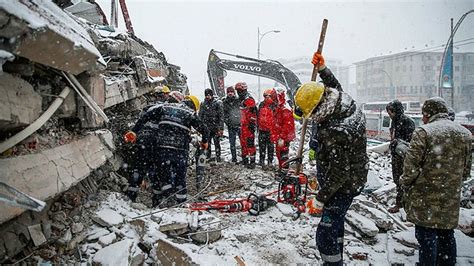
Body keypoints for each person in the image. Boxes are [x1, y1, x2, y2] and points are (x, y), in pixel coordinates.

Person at [295, 53, 368, 265]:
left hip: (344, 185)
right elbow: (334, 87)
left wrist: (320, 198)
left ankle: (332, 263)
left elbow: (340, 172)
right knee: (336, 224)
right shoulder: (342, 103)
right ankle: (337, 258)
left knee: (326, 233)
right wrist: (324, 70)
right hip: (355, 174)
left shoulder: (336, 130)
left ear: (318, 107)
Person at [401, 97, 472, 266]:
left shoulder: (424, 132)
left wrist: (405, 183)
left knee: (427, 237)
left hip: (425, 197)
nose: (423, 118)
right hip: (450, 196)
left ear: (428, 113)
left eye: (423, 114)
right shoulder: (465, 134)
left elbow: (410, 168)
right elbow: (466, 171)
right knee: (447, 235)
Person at [124, 96, 209, 207]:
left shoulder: (165, 107)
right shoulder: (190, 113)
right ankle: (180, 203)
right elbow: (204, 129)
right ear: (193, 106)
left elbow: (146, 115)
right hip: (180, 150)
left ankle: (166, 199)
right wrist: (204, 142)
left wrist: (134, 131)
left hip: (163, 148)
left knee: (164, 175)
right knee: (180, 177)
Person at [385, 99, 415, 213]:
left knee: (402, 180)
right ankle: (402, 203)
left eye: (390, 112)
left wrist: (398, 142)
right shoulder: (395, 121)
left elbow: (409, 142)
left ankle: (401, 204)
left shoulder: (407, 122)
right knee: (397, 180)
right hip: (396, 155)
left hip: (403, 156)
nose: (389, 115)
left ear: (395, 111)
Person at [235, 82, 257, 169]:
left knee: (250, 144)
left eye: (240, 90)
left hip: (248, 126)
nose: (238, 92)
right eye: (237, 91)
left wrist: (252, 124)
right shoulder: (241, 99)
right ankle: (245, 160)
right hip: (243, 125)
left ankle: (252, 161)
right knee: (243, 143)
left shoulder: (249, 99)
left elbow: (253, 113)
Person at [199, 88, 224, 162]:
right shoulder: (203, 104)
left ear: (212, 95)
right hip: (207, 127)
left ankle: (218, 156)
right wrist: (200, 126)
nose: (208, 97)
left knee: (217, 143)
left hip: (215, 127)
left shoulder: (217, 103)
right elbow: (200, 115)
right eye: (206, 95)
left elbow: (221, 116)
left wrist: (221, 128)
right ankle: (208, 156)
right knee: (208, 143)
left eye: (209, 95)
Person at [273, 88, 295, 170]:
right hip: (280, 136)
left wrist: (282, 137)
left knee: (283, 154)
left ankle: (284, 171)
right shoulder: (280, 107)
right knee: (280, 153)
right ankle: (281, 169)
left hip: (284, 137)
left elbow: (288, 125)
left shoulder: (285, 109)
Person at [257, 88, 277, 169]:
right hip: (262, 130)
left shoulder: (274, 105)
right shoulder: (261, 104)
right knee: (262, 147)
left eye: (268, 96)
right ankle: (261, 161)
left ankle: (270, 161)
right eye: (265, 96)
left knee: (270, 147)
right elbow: (258, 116)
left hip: (270, 130)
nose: (266, 98)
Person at [222, 86, 241, 163]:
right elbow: (223, 114)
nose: (230, 93)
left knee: (242, 142)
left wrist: (240, 120)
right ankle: (234, 158)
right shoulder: (225, 102)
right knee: (232, 143)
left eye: (231, 92)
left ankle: (244, 157)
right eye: (229, 92)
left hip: (239, 125)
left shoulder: (238, 100)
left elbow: (241, 111)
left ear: (234, 93)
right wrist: (228, 121)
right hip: (231, 126)